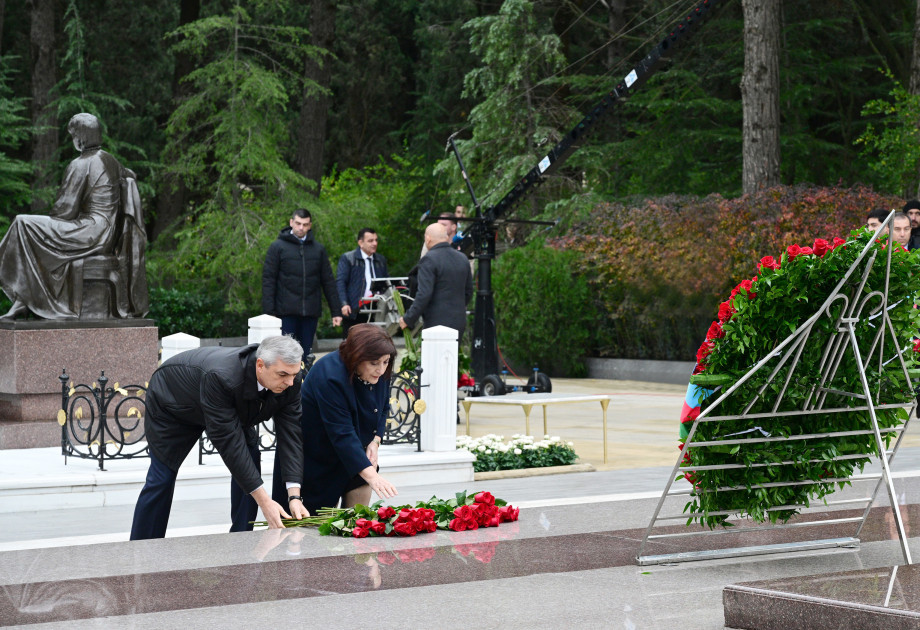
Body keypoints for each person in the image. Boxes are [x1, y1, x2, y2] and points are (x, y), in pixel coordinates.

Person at [130, 335, 308, 539]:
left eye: (294, 374)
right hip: (175, 403)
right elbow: (230, 445)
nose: (290, 382)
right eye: (283, 374)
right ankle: (143, 545)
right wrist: (265, 503)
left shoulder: (291, 380)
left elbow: (291, 435)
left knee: (249, 459)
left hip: (226, 406)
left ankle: (242, 538)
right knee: (161, 477)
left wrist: (294, 496)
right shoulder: (223, 377)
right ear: (260, 365)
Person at [0, 112, 147, 320]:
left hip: (90, 231)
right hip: (106, 234)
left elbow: (65, 211)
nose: (73, 141)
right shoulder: (111, 160)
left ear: (81, 137)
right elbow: (130, 176)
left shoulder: (80, 164)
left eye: (74, 136)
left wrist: (53, 217)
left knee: (22, 223)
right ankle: (24, 300)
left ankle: (24, 300)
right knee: (29, 229)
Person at [272, 324, 399, 514]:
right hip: (316, 459)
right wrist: (372, 476)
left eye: (386, 362)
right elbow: (341, 433)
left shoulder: (380, 370)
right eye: (374, 363)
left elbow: (383, 408)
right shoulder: (329, 374)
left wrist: (375, 441)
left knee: (356, 521)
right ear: (356, 357)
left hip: (354, 458)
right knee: (307, 526)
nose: (381, 370)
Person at [262, 209, 342, 361]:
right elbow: (268, 280)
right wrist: (269, 312)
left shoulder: (318, 249)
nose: (301, 228)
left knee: (306, 356)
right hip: (285, 312)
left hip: (310, 312)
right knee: (285, 355)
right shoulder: (277, 247)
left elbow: (328, 281)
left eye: (305, 225)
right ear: (291, 222)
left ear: (310, 225)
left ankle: (304, 377)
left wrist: (336, 311)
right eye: (298, 223)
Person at [400, 223, 473, 337]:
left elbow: (424, 294)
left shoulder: (428, 259)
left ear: (428, 239)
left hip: (436, 322)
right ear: (446, 237)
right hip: (458, 321)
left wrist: (408, 319)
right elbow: (468, 292)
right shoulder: (463, 258)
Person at [336, 227, 388, 336]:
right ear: (360, 243)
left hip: (377, 309)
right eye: (370, 241)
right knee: (353, 341)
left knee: (375, 341)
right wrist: (344, 303)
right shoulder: (348, 258)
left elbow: (386, 283)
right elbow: (341, 283)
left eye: (376, 240)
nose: (374, 243)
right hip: (355, 309)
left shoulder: (380, 260)